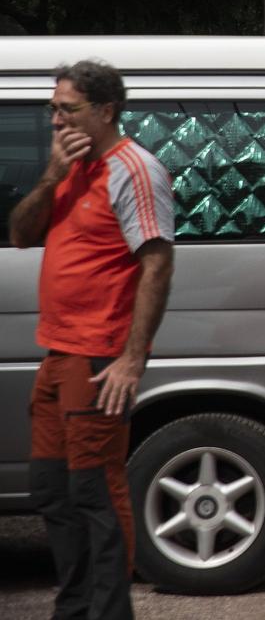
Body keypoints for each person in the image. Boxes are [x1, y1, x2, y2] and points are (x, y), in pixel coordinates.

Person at [10, 60, 175, 620]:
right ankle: (74, 609)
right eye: (52, 108)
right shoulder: (70, 167)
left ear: (105, 111)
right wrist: (51, 177)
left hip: (100, 354)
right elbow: (21, 234)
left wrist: (132, 359)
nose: (55, 119)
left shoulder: (134, 169)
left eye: (67, 109)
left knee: (96, 493)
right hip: (57, 353)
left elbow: (156, 263)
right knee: (52, 492)